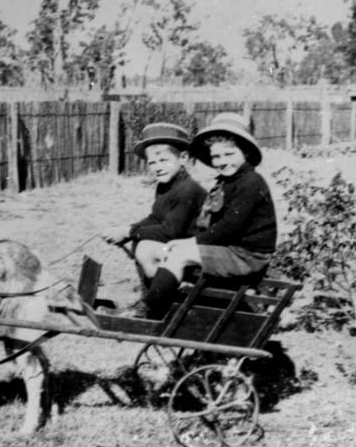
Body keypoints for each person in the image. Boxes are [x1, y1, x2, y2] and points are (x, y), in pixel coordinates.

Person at [121, 112, 277, 320]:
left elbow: (229, 228)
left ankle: (151, 309)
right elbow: (213, 224)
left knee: (178, 254)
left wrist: (191, 244)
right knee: (152, 250)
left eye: (229, 154)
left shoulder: (251, 183)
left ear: (245, 153)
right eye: (216, 156)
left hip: (247, 256)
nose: (222, 162)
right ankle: (161, 299)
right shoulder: (225, 182)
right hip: (228, 249)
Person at [102, 122, 207, 284]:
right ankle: (158, 291)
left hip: (191, 249)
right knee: (140, 241)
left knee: (145, 249)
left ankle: (165, 297)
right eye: (152, 162)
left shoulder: (188, 190)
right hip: (175, 242)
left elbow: (169, 232)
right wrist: (126, 230)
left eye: (164, 160)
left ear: (183, 158)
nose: (158, 167)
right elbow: (155, 217)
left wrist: (129, 232)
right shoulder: (165, 185)